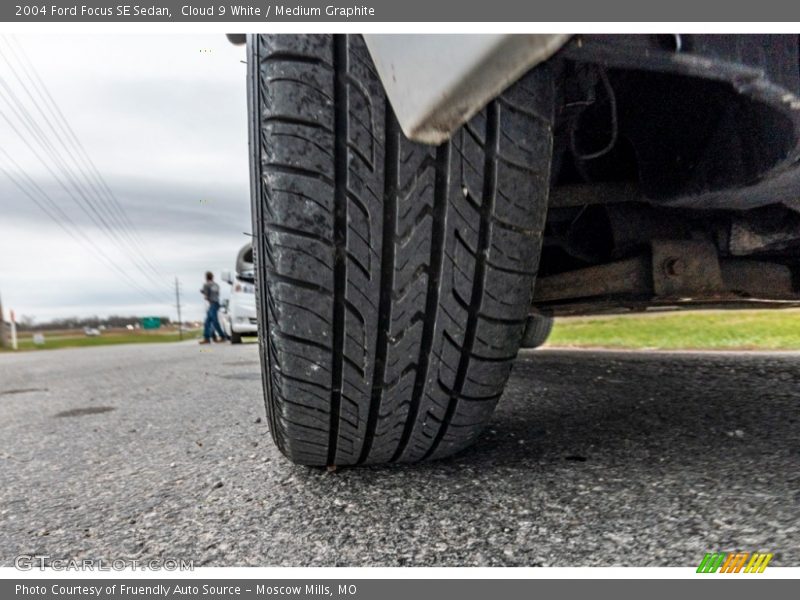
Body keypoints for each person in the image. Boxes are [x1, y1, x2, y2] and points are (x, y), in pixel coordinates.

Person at [200, 271, 228, 344]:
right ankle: (207, 338)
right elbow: (217, 294)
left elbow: (206, 296)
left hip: (212, 304)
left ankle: (222, 336)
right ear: (212, 277)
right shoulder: (216, 285)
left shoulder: (206, 284)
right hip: (216, 303)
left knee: (214, 322)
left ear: (206, 277)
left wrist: (203, 292)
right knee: (207, 322)